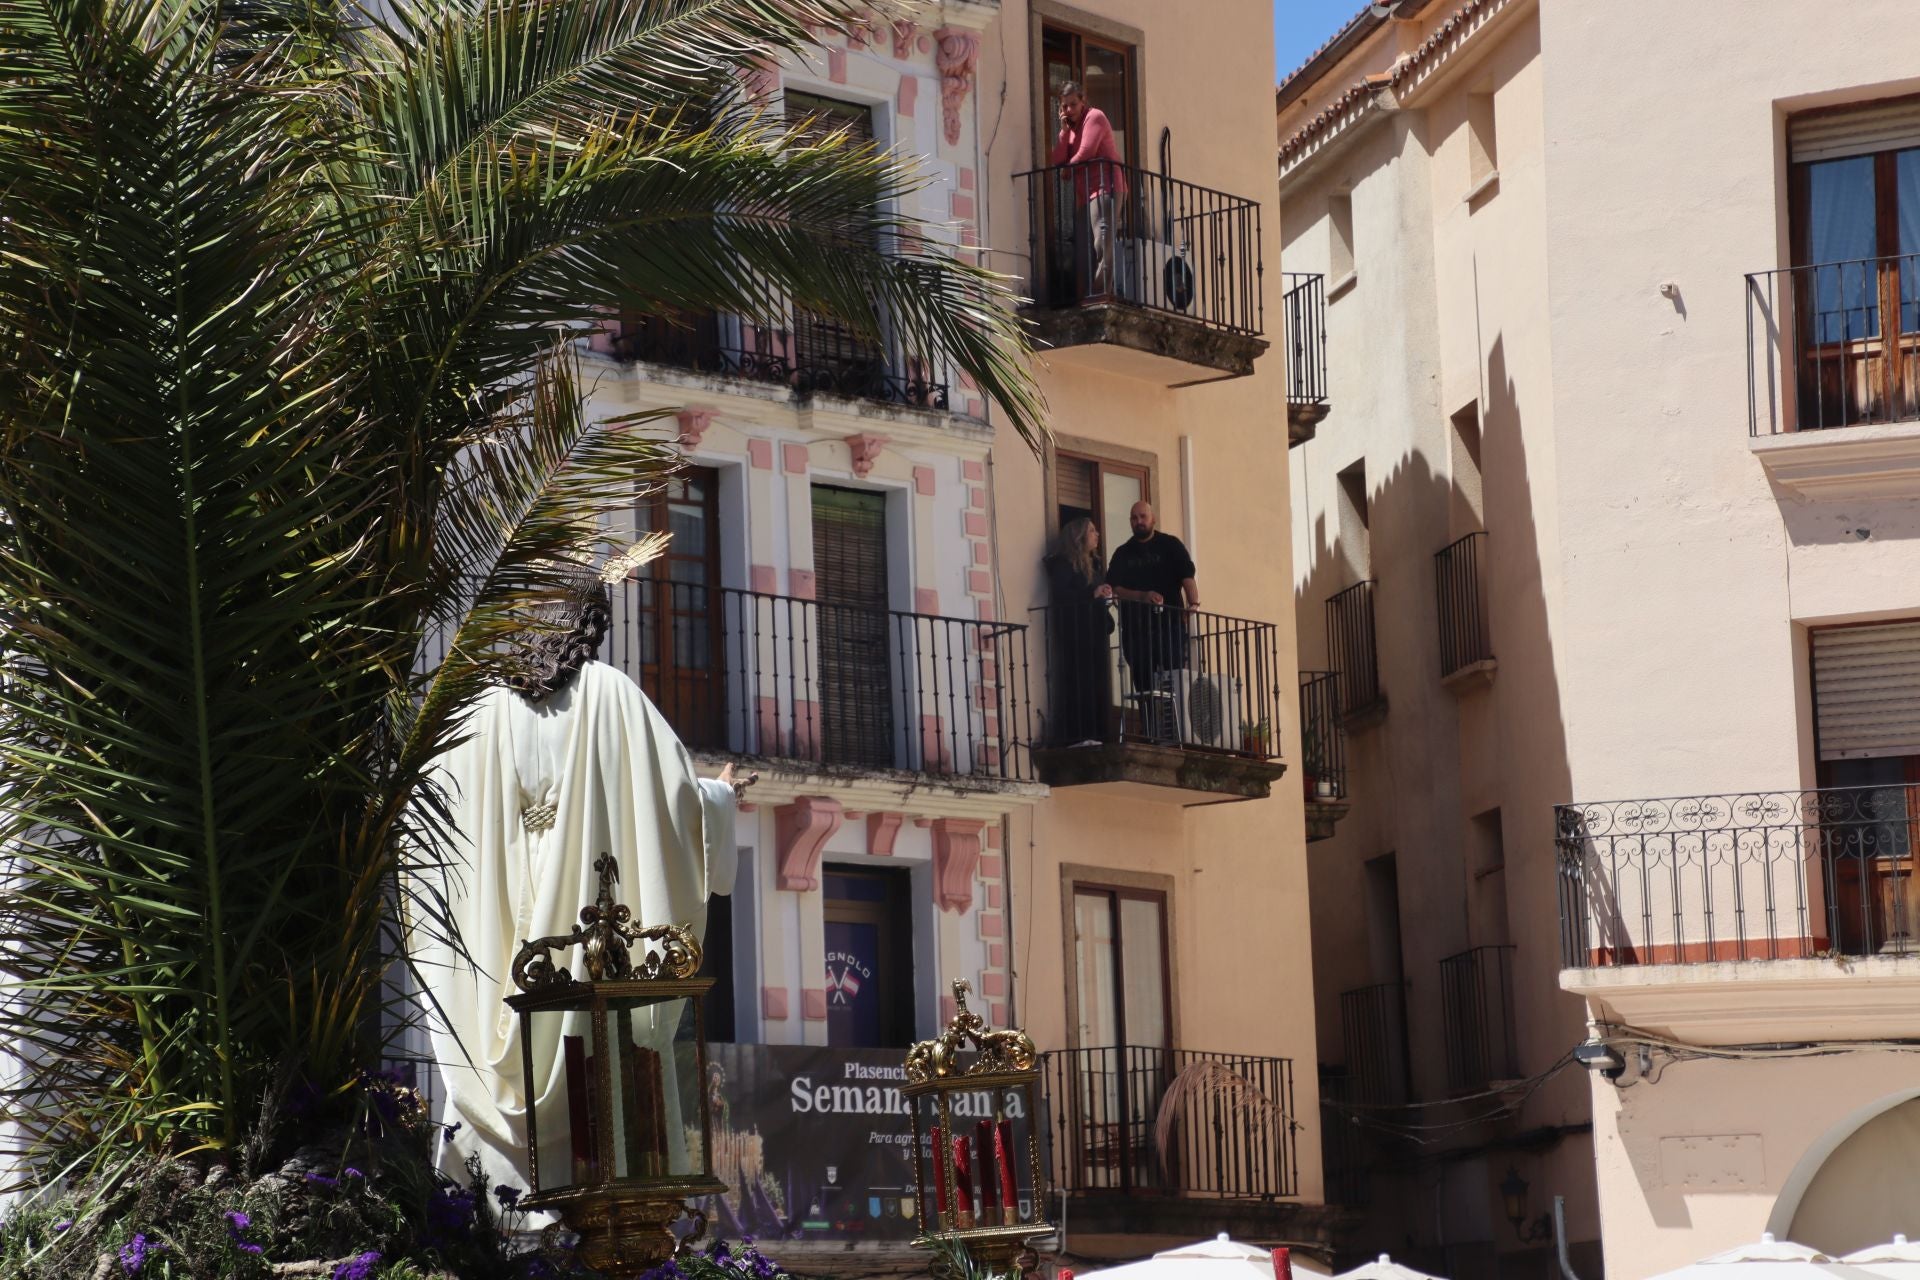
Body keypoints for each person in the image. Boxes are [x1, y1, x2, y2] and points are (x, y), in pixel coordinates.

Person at [414, 553, 756, 1194]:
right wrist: (721, 799)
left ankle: (493, 1202)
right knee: (600, 1035)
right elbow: (674, 804)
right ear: (586, 622)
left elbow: (426, 818)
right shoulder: (610, 695)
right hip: (589, 921)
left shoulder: (477, 712)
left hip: (500, 933)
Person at [1105, 502, 1199, 713]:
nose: (1138, 521)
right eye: (1134, 518)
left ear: (1153, 519)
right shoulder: (1123, 553)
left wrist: (1193, 604)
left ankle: (1175, 726)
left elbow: (1187, 575)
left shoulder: (1171, 545)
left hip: (1170, 627)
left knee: (1174, 680)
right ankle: (1148, 727)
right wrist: (1142, 596)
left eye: (1142, 516)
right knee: (1143, 685)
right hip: (1136, 630)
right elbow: (1114, 588)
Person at [1050, 81, 1128, 298]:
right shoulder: (1071, 129)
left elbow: (1086, 151)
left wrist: (1068, 169)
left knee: (1102, 243)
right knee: (1086, 247)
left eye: (1073, 104)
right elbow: (1057, 158)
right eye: (1064, 106)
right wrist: (1064, 132)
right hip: (1086, 193)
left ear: (1083, 101)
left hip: (1106, 186)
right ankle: (1088, 293)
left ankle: (1101, 293)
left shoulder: (1095, 117)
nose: (1069, 110)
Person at [1042, 516, 1114, 747]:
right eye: (1092, 530)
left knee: (1097, 685)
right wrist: (1092, 594)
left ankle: (1097, 735)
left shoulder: (1094, 565)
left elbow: (1092, 596)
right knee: (1080, 684)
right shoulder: (1064, 564)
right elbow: (1062, 596)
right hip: (1076, 635)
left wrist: (1104, 597)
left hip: (1093, 634)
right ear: (1079, 537)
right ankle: (1079, 734)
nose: (1097, 534)